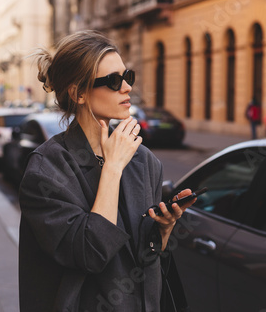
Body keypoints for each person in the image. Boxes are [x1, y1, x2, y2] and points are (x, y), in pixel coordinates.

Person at [18, 30, 194, 311]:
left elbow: (146, 259)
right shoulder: (47, 170)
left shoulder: (144, 161)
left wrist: (162, 231)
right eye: (113, 81)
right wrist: (112, 167)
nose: (127, 87)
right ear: (79, 93)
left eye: (128, 77)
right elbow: (90, 253)